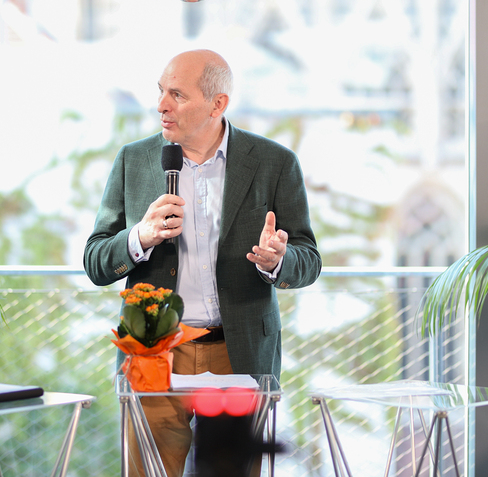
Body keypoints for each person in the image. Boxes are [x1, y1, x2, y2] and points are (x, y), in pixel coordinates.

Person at [84, 49, 321, 477]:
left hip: (238, 352)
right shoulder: (133, 160)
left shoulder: (274, 162)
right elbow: (96, 262)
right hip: (155, 354)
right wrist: (141, 237)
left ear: (217, 104)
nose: (161, 105)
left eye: (177, 94)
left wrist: (278, 260)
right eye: (161, 91)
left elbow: (309, 260)